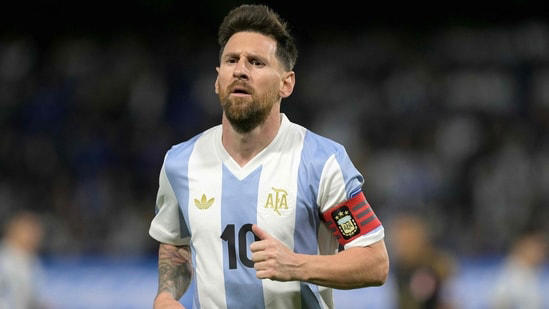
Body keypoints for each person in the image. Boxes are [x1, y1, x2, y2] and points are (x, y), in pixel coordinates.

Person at [149, 4, 389, 308]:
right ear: (217, 78)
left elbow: (374, 262)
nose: (240, 70)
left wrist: (297, 266)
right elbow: (176, 244)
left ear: (285, 84)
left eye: (256, 62)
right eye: (231, 60)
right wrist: (166, 296)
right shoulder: (180, 163)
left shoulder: (321, 162)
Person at [388, 214, 456, 309]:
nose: (401, 244)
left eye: (407, 239)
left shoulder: (438, 265)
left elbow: (451, 300)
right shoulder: (397, 269)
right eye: (398, 239)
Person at [490, 229, 547, 309]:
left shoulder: (530, 274)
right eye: (536, 249)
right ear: (522, 248)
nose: (542, 254)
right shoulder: (513, 277)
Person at [0, 211, 45, 309]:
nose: (33, 236)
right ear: (13, 230)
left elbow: (29, 299)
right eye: (28, 231)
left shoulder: (30, 260)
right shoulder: (3, 259)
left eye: (36, 231)